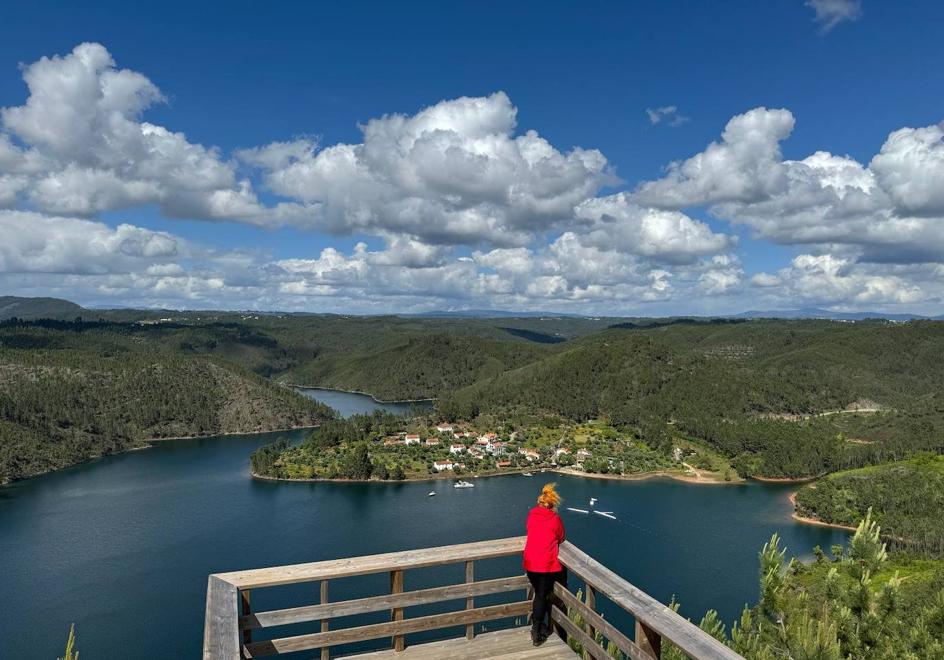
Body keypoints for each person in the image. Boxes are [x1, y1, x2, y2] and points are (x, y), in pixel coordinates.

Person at [522, 483, 566, 646]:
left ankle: (539, 627)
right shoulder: (554, 519)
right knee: (541, 595)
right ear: (552, 505)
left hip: (530, 562)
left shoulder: (532, 514)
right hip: (545, 564)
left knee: (539, 594)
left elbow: (530, 529)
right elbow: (561, 536)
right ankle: (537, 631)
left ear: (539, 502)